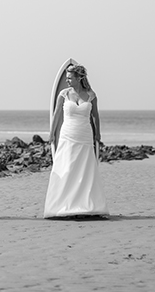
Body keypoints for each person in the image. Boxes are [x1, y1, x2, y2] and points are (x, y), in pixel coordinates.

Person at [44, 64, 109, 219]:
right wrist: (52, 134)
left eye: (70, 78)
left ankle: (86, 205)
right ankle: (63, 206)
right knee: (67, 167)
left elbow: (95, 116)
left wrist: (98, 135)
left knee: (84, 170)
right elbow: (57, 114)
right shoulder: (64, 94)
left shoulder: (91, 95)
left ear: (79, 78)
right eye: (66, 77)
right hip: (68, 135)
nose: (67, 80)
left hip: (85, 135)